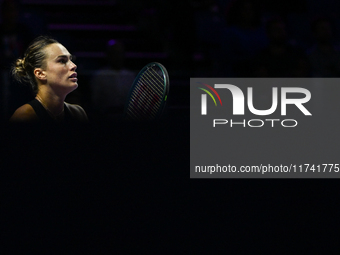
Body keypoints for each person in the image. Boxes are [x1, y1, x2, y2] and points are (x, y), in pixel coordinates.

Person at [9, 36, 88, 123]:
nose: (73, 66)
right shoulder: (24, 117)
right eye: (62, 61)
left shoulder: (78, 113)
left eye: (70, 59)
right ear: (40, 74)